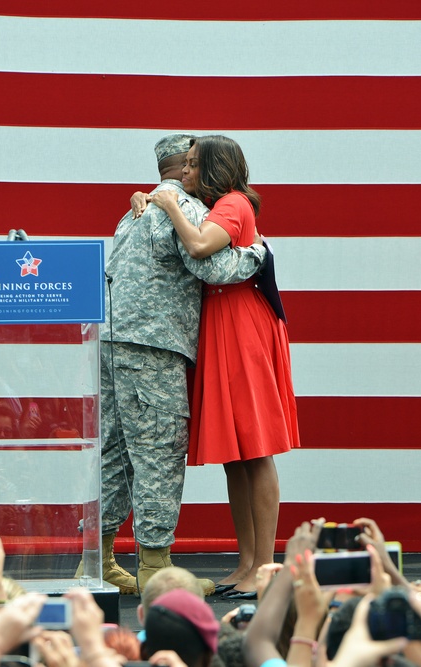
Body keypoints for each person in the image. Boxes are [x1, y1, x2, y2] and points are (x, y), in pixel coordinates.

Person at [95, 134, 268, 596]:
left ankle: (98, 560)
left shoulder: (131, 212)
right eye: (192, 163)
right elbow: (211, 268)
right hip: (153, 349)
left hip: (112, 343)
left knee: (116, 455)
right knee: (157, 454)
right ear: (185, 167)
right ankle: (156, 568)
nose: (196, 170)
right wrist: (257, 253)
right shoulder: (185, 208)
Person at [143, 135, 299, 597]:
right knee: (236, 456)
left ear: (213, 169)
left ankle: (266, 566)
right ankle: (247, 562)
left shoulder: (232, 204)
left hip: (242, 325)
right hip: (222, 322)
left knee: (255, 449)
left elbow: (196, 245)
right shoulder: (215, 202)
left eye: (191, 165)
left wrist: (168, 203)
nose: (182, 173)